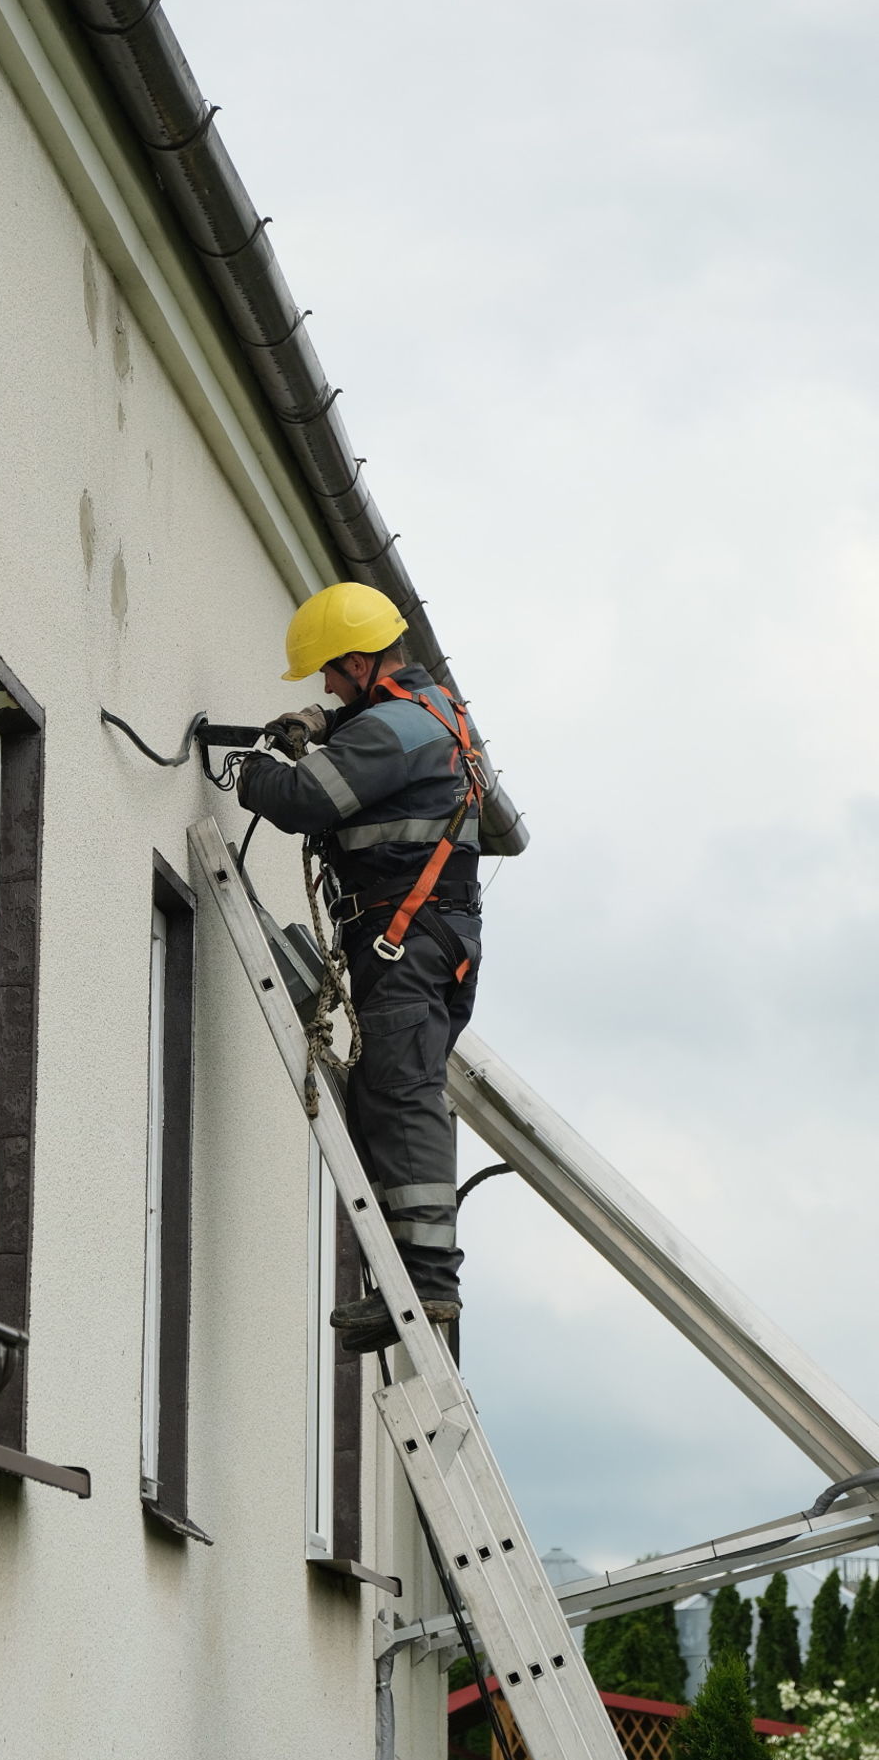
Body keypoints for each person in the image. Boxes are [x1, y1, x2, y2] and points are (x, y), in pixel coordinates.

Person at [236, 581, 485, 1355]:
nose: (327, 689)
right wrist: (321, 722)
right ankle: (408, 1284)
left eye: (331, 677)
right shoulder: (423, 711)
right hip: (421, 940)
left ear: (358, 658)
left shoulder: (393, 729)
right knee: (384, 1093)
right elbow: (359, 733)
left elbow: (308, 798)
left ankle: (430, 1291)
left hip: (404, 941)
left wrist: (254, 773)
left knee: (403, 1095)